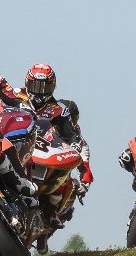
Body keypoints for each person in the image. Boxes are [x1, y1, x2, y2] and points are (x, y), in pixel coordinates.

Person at [18, 63, 94, 240]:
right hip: (19, 148)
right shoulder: (14, 96)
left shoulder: (59, 109)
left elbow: (72, 136)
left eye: (45, 87)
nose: (39, 91)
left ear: (53, 87)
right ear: (27, 83)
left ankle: (51, 211)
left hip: (45, 151)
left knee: (63, 173)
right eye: (35, 86)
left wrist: (72, 148)